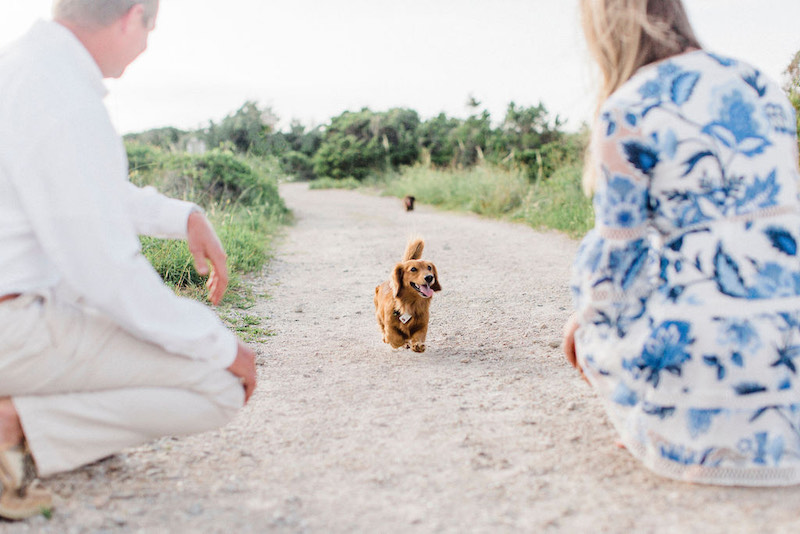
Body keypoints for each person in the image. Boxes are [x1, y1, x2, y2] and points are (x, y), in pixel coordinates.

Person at [0, 0, 256, 519]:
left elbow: (84, 191)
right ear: (131, 16)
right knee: (222, 385)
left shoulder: (23, 69)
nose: (147, 45)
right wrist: (219, 343)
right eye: (151, 28)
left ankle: (37, 427)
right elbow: (106, 273)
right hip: (13, 329)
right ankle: (12, 426)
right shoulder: (63, 97)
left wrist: (182, 215)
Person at [563, 0, 800, 486]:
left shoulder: (626, 109)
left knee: (594, 269)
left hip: (699, 366)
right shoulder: (762, 86)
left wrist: (584, 330)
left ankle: (659, 421)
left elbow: (616, 271)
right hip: (790, 347)